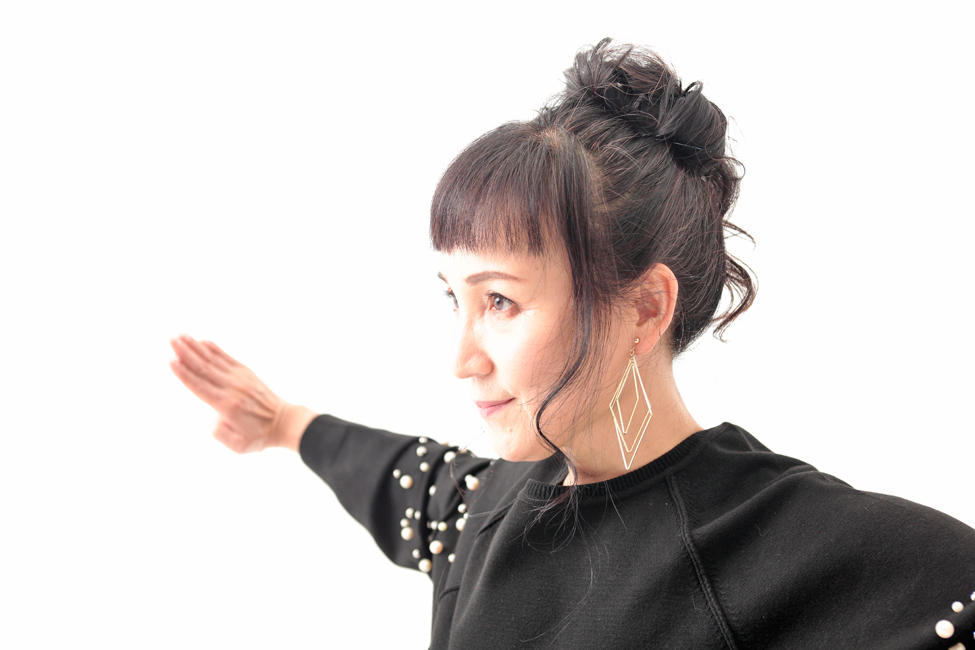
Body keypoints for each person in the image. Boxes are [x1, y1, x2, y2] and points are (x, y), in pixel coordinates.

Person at [169, 39, 975, 649]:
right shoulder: (488, 509)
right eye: (454, 298)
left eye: (499, 301)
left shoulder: (778, 548)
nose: (461, 358)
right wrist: (283, 423)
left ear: (644, 308)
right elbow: (414, 482)